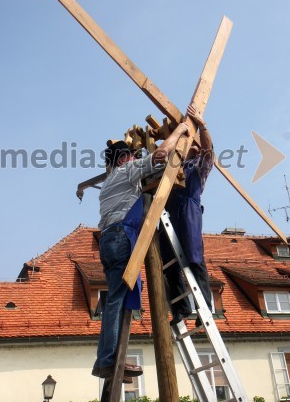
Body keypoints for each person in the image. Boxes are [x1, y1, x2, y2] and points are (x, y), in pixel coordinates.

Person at [92, 120, 190, 380]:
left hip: (107, 241)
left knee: (117, 296)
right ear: (123, 158)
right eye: (130, 156)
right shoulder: (126, 171)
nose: (133, 159)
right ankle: (108, 361)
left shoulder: (108, 184)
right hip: (122, 237)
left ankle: (105, 360)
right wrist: (179, 131)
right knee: (116, 298)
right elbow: (160, 155)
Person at [159, 103, 214, 326]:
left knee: (194, 258)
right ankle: (181, 309)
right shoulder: (174, 164)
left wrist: (202, 125)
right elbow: (161, 153)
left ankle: (205, 309)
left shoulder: (199, 165)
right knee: (169, 262)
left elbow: (210, 151)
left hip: (189, 210)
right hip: (169, 211)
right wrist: (177, 132)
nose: (189, 145)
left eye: (192, 143)